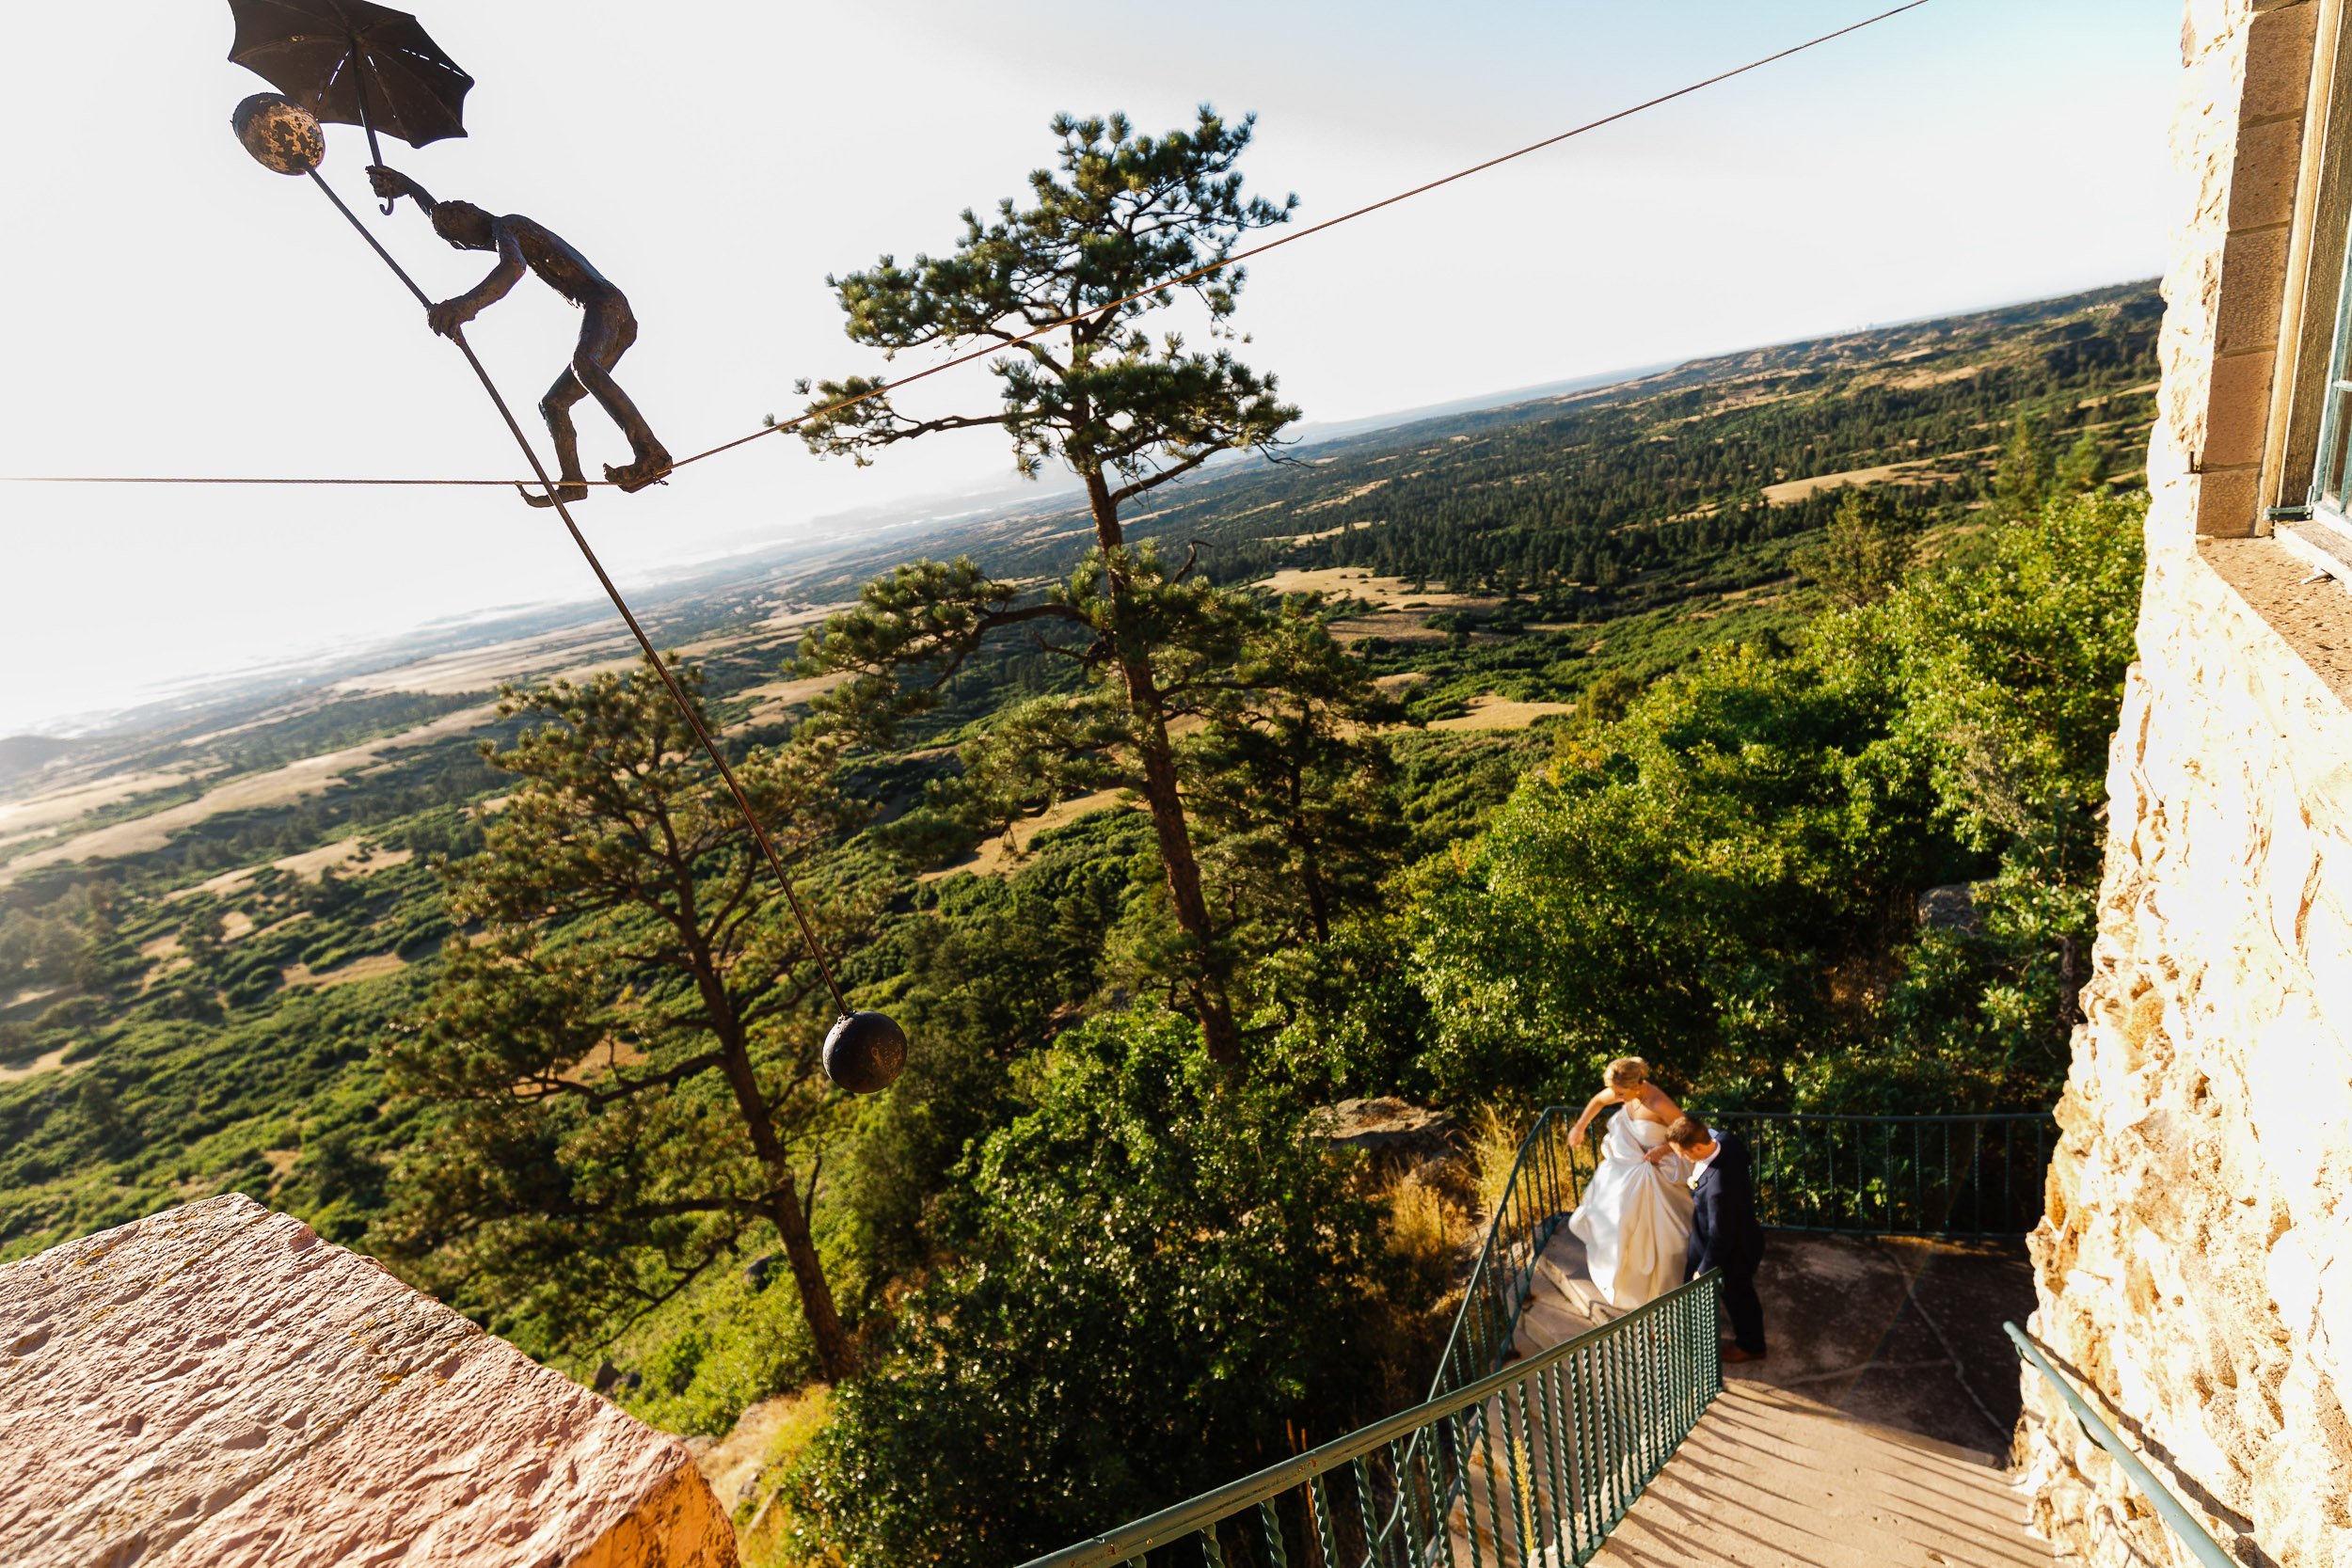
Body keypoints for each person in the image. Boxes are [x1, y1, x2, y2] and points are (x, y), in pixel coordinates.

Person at [367, 166, 673, 505]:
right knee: (554, 404)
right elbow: (441, 214)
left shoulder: (506, 225)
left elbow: (512, 269)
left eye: (460, 229)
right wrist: (408, 188)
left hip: (606, 303)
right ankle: (573, 482)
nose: (462, 238)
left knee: (584, 365)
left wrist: (463, 307)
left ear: (472, 217)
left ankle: (651, 453)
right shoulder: (489, 229)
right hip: (611, 312)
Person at [1565, 1057, 1694, 1308]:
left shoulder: (1658, 1102)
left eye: (1621, 1093)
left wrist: (1664, 1149)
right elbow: (1598, 1101)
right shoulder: (1623, 1091)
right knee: (1612, 1218)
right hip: (1629, 1166)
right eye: (1615, 1091)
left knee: (1660, 1237)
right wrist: (1579, 1128)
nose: (1616, 1097)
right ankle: (1620, 1275)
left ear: (1638, 1085)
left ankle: (1657, 1290)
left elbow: (1688, 1131)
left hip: (1657, 1173)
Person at [1665, 1115, 1767, 1363]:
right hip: (1708, 1238)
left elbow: (1721, 1236)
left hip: (1734, 1250)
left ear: (1698, 1148)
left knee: (1739, 1298)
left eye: (1682, 1153)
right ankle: (1687, 1335)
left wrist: (1705, 1268)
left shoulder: (1719, 1190)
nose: (1681, 1157)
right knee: (1690, 1290)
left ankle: (1752, 1346)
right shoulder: (1727, 1141)